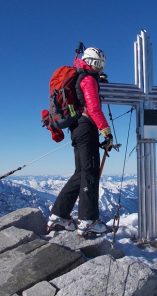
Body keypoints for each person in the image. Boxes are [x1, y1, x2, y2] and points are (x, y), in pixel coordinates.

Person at [47, 47, 113, 236]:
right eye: (99, 64)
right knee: (90, 171)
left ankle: (59, 215)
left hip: (77, 128)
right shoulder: (87, 79)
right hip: (87, 127)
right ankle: (88, 221)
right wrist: (105, 131)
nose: (101, 68)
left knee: (81, 172)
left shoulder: (81, 76)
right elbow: (93, 108)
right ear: (93, 62)